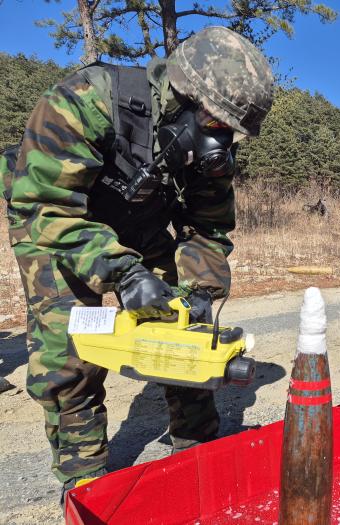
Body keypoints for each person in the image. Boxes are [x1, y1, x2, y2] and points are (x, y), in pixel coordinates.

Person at [0, 26, 273, 503]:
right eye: (215, 126)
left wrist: (200, 295)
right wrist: (124, 273)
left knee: (188, 335)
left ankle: (198, 450)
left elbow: (207, 231)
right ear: (181, 96)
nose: (221, 144)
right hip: (59, 218)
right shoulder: (85, 100)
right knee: (72, 352)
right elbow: (47, 205)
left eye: (232, 134)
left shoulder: (213, 153)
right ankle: (85, 481)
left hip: (142, 223)